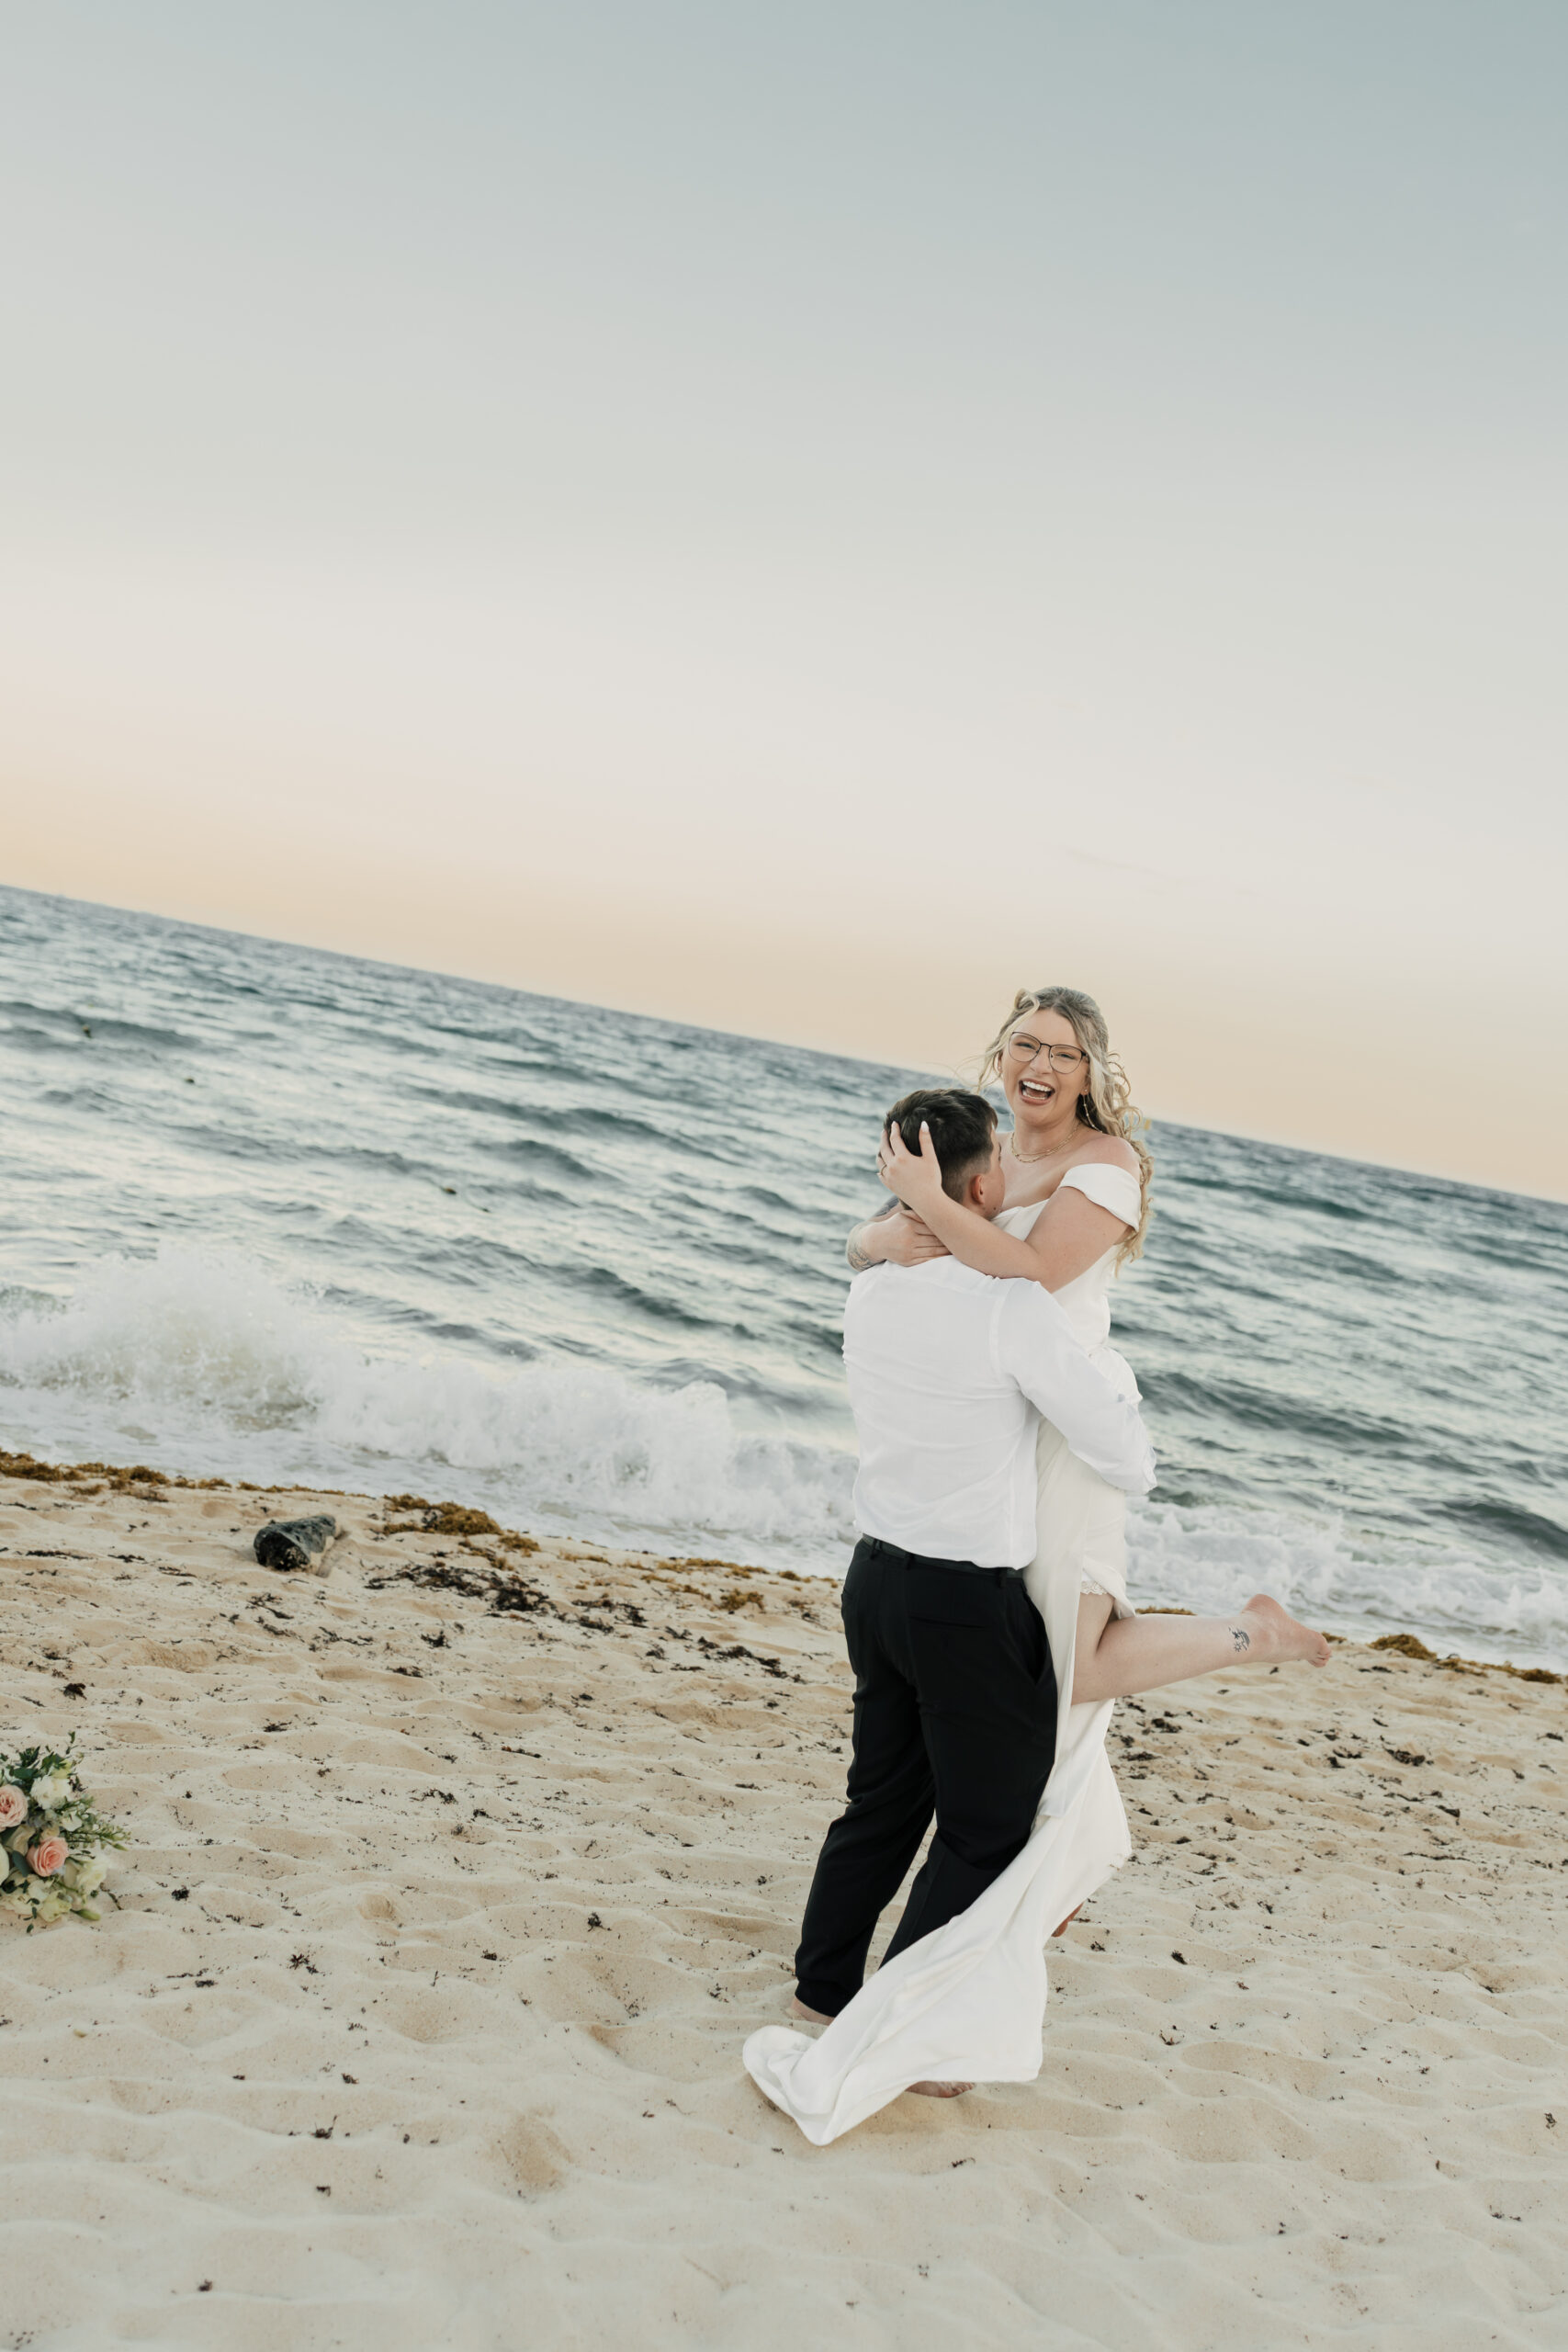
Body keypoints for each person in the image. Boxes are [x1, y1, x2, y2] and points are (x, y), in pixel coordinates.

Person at [743, 1084, 1157, 2140]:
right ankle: (908, 2023)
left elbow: (883, 1263)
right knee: (986, 1828)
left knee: (878, 1803)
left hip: (874, 1579)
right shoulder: (1009, 1307)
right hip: (966, 1602)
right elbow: (1124, 1456)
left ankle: (818, 1994)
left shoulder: (873, 1288)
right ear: (984, 1186)